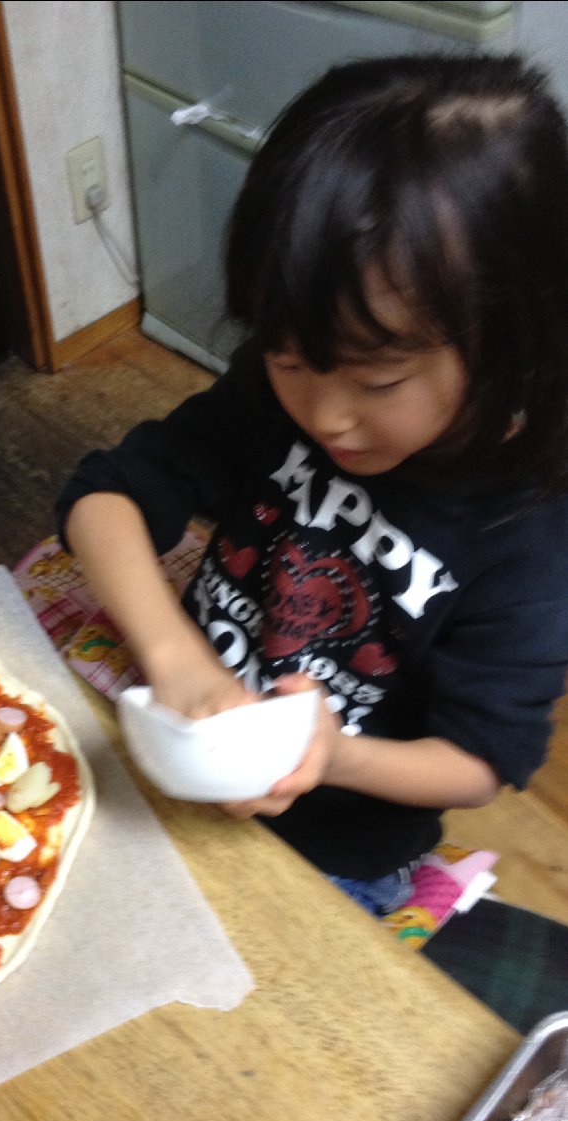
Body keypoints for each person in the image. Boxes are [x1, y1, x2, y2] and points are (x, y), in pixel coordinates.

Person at [56, 53, 568, 915]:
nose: (325, 416)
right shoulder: (277, 391)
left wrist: (331, 756)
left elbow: (480, 760)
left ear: (511, 339)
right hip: (179, 742)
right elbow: (103, 497)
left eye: (376, 382)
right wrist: (175, 656)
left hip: (332, 850)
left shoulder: (528, 535)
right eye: (287, 356)